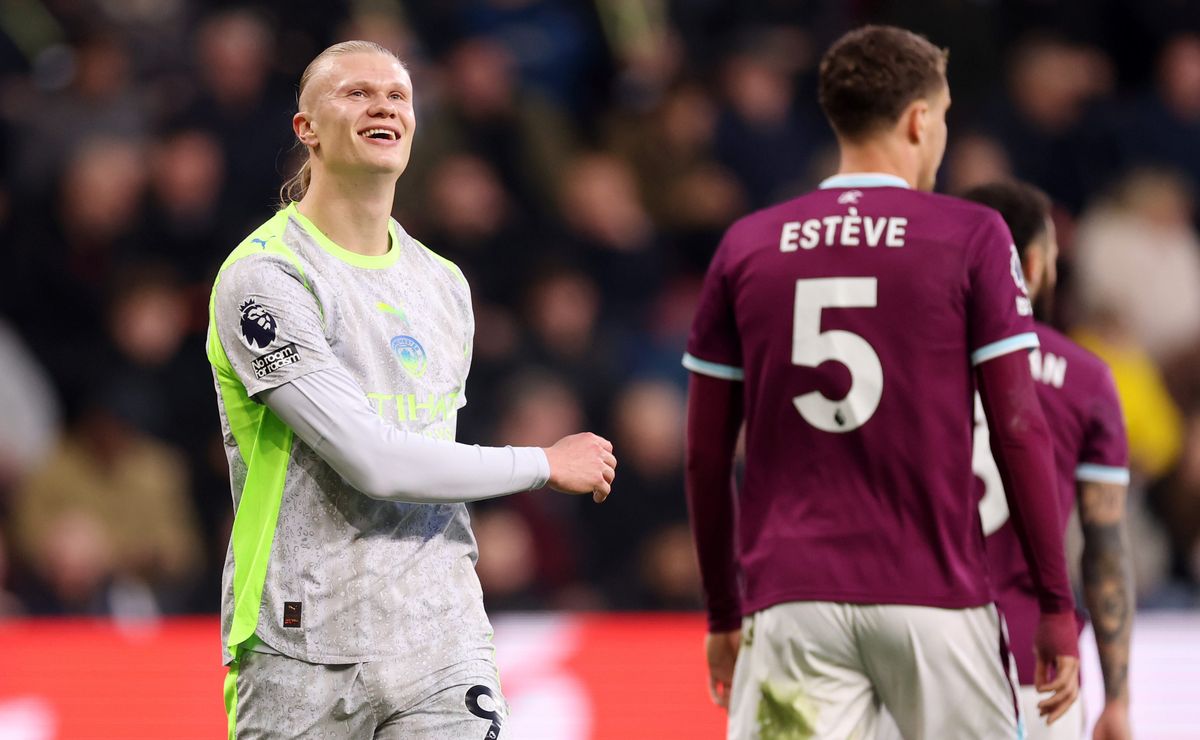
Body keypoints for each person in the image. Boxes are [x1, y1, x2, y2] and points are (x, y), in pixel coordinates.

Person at [206, 40, 617, 738]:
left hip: (441, 637)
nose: (383, 106)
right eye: (357, 93)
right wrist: (542, 464)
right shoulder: (264, 280)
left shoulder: (443, 285)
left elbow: (432, 454)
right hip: (300, 648)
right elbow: (374, 461)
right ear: (306, 128)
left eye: (397, 96)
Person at [683, 25, 1079, 739]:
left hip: (792, 604)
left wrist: (723, 611)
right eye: (946, 118)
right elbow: (1020, 428)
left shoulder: (747, 244)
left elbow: (707, 456)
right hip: (934, 596)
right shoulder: (973, 234)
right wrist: (1056, 601)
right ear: (920, 119)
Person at [964, 181, 1134, 740]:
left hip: (929, 655)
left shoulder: (915, 371)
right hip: (1044, 670)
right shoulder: (1086, 379)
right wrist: (1117, 697)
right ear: (1033, 265)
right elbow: (1104, 549)